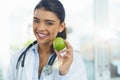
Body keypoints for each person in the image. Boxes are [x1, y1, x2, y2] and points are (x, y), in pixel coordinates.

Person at [7, 0, 87, 80]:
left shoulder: (75, 61)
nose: (40, 28)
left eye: (49, 23)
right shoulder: (18, 57)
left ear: (61, 26)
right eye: (36, 21)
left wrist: (63, 73)